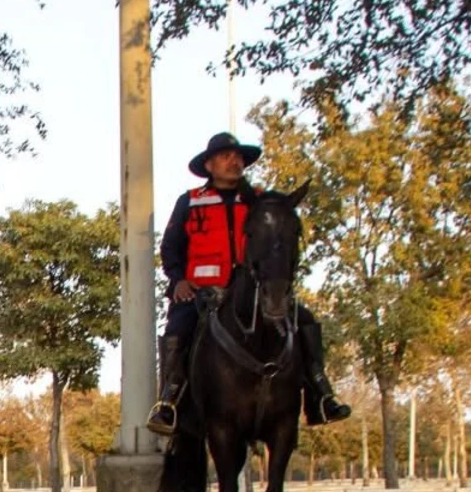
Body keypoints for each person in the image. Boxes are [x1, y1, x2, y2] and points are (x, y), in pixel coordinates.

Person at [148, 131, 350, 437]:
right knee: (179, 327)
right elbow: (170, 248)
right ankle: (169, 401)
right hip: (202, 291)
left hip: (254, 291)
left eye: (238, 157)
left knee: (304, 319)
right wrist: (178, 280)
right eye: (226, 156)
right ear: (210, 165)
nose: (234, 161)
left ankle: (321, 395)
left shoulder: (260, 201)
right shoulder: (190, 201)